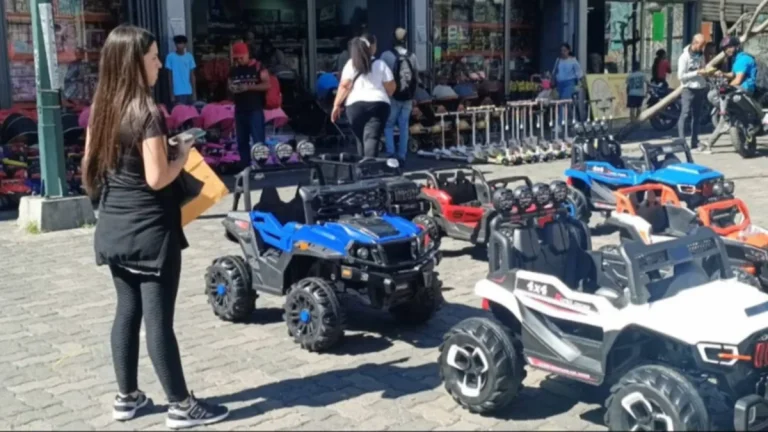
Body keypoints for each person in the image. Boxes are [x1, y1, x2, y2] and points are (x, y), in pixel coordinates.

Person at [82, 25, 229, 429]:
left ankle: (126, 399)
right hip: (151, 231)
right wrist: (181, 152)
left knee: (125, 312)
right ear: (134, 63)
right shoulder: (147, 113)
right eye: (152, 57)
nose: (160, 64)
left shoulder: (101, 109)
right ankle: (180, 405)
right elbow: (157, 178)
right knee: (158, 321)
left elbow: (92, 171)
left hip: (113, 226)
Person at [331, 34, 395, 157]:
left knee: (360, 138)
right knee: (372, 137)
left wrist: (336, 105)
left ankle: (361, 169)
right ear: (372, 47)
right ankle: (369, 170)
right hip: (378, 104)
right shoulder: (380, 64)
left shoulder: (351, 64)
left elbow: (344, 86)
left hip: (355, 106)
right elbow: (391, 88)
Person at [705, 36, 761, 152]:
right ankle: (710, 143)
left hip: (744, 89)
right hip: (739, 88)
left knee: (714, 95)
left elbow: (738, 79)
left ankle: (709, 144)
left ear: (736, 46)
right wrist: (723, 74)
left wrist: (728, 86)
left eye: (729, 47)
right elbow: (733, 74)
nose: (727, 50)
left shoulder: (743, 59)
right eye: (725, 49)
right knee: (719, 99)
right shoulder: (738, 59)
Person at [380, 27, 420, 166]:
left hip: (392, 96)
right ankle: (402, 156)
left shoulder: (386, 56)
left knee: (389, 125)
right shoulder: (412, 56)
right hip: (408, 97)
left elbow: (381, 77)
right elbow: (416, 77)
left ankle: (391, 154)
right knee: (404, 126)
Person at [229, 41, 270, 168]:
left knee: (258, 139)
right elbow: (229, 85)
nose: (240, 60)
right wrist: (233, 88)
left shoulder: (258, 67)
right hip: (240, 109)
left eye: (242, 57)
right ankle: (245, 165)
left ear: (247, 54)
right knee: (242, 140)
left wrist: (248, 87)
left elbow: (267, 85)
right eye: (237, 58)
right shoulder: (234, 69)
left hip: (255, 109)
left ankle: (260, 166)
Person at [677, 34, 708, 150]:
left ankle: (694, 141)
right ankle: (681, 141)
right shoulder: (684, 57)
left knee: (697, 116)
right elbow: (680, 76)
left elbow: (703, 67)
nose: (702, 48)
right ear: (694, 43)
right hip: (688, 89)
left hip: (700, 88)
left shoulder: (701, 55)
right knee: (685, 114)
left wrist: (705, 73)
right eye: (701, 45)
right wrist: (696, 73)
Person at [552, 43, 584, 124]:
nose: (563, 52)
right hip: (559, 84)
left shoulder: (573, 61)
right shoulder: (558, 60)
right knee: (562, 103)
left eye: (565, 51)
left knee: (563, 102)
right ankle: (573, 120)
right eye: (561, 51)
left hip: (569, 84)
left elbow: (579, 73)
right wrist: (553, 82)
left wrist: (583, 84)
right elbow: (554, 72)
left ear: (568, 51)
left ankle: (559, 123)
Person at [165, 35, 197, 106]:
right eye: (177, 43)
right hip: (177, 92)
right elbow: (169, 77)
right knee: (179, 114)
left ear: (185, 45)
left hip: (188, 91)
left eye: (181, 43)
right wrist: (171, 94)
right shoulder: (170, 57)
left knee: (189, 114)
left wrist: (194, 93)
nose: (179, 45)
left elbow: (192, 76)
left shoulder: (189, 57)